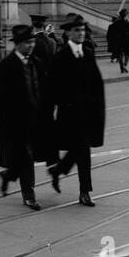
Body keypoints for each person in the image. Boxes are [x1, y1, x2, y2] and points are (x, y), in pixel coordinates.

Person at [47, 19, 106, 207]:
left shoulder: (87, 53)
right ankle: (84, 192)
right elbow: (53, 86)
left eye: (82, 30)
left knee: (80, 150)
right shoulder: (61, 56)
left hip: (87, 114)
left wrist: (97, 108)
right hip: (70, 114)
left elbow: (96, 83)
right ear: (69, 34)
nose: (81, 33)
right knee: (82, 151)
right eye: (77, 30)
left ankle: (62, 174)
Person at [0, 25, 50, 211]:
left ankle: (9, 175)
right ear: (17, 44)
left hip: (35, 119)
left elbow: (44, 88)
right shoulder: (6, 66)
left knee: (27, 156)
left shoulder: (36, 63)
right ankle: (29, 196)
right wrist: (5, 119)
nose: (31, 45)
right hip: (15, 121)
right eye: (27, 43)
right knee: (27, 156)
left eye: (32, 42)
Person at [107, 9, 129, 73]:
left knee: (120, 54)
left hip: (118, 41)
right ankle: (125, 65)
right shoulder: (126, 22)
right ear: (125, 15)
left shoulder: (116, 22)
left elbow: (111, 28)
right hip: (126, 40)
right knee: (127, 53)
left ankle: (121, 67)